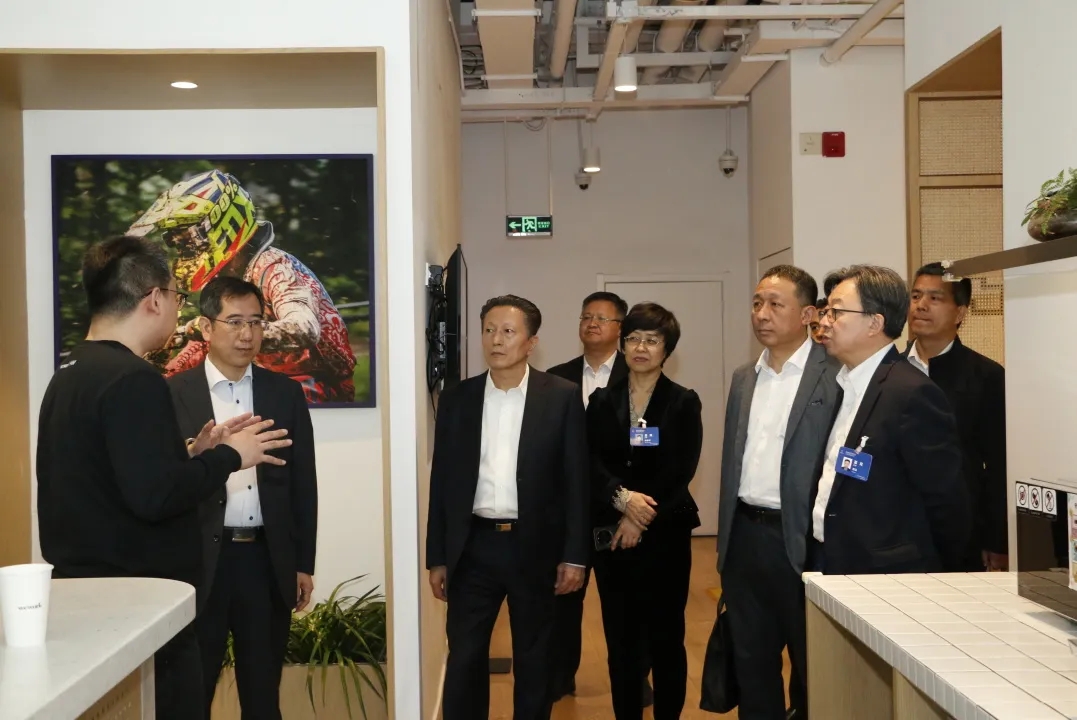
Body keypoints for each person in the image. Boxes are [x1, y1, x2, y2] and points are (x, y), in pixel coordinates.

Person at [36, 236, 292, 720]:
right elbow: (158, 496)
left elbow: (114, 477)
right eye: (176, 295)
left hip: (85, 594)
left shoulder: (71, 370)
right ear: (154, 299)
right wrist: (231, 456)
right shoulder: (136, 379)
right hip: (135, 601)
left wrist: (190, 455)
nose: (177, 308)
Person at [426, 295, 589, 720]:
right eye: (489, 330)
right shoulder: (458, 399)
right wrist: (437, 555)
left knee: (535, 659)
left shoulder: (561, 397)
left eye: (508, 331)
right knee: (464, 656)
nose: (496, 340)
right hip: (473, 547)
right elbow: (442, 483)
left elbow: (576, 481)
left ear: (531, 342)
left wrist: (575, 555)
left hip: (534, 547)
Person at [167, 276, 319, 719]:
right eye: (234, 322)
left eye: (255, 322)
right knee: (192, 692)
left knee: (263, 693)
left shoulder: (283, 392)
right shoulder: (172, 393)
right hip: (200, 564)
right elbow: (163, 483)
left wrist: (302, 562)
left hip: (265, 561)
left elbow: (303, 483)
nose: (247, 334)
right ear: (206, 327)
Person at [717, 266, 840, 720]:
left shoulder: (834, 375)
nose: (761, 314)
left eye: (775, 304)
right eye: (756, 303)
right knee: (751, 663)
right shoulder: (744, 378)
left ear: (808, 314)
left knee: (814, 666)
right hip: (745, 538)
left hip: (801, 539)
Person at [127, 169, 357, 403]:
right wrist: (164, 370)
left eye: (188, 239)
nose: (183, 249)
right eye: (175, 241)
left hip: (317, 382)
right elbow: (206, 340)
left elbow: (305, 328)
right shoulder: (226, 278)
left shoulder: (273, 267)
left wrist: (224, 331)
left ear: (224, 223)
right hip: (269, 378)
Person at [812, 265, 971, 574]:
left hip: (885, 572)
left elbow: (946, 502)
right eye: (826, 311)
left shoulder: (912, 393)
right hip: (830, 557)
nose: (825, 321)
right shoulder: (843, 385)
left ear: (875, 323)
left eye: (836, 312)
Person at [587, 302, 703, 720]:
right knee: (621, 641)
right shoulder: (601, 401)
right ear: (622, 345)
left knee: (666, 637)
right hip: (613, 538)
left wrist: (640, 516)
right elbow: (590, 462)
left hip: (665, 535)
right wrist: (623, 502)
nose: (641, 348)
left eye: (652, 340)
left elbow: (681, 469)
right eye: (634, 338)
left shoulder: (683, 402)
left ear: (667, 349)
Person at [545, 290, 638, 703]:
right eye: (586, 316)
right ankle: (558, 678)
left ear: (621, 329)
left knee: (625, 608)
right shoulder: (555, 377)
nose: (592, 323)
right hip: (568, 512)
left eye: (602, 318)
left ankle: (633, 683)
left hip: (619, 513)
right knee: (563, 601)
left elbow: (644, 449)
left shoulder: (637, 376)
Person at [906, 262, 1008, 571]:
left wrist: (997, 540)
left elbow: (1000, 465)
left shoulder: (986, 376)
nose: (921, 305)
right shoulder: (889, 371)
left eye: (935, 298)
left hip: (961, 534)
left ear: (960, 312)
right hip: (896, 532)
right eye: (916, 296)